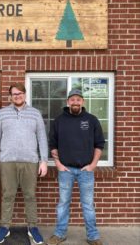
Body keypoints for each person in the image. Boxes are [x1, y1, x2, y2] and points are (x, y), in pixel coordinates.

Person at [0, 83, 48, 244]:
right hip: (7, 161)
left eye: (20, 93)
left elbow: (42, 138)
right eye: (14, 94)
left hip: (30, 161)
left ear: (25, 94)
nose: (17, 96)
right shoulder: (2, 114)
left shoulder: (35, 114)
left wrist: (44, 161)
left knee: (30, 195)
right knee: (8, 195)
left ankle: (32, 227)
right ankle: (5, 227)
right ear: (10, 96)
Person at [47, 89, 105, 245]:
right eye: (72, 99)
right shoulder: (59, 121)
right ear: (68, 102)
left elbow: (99, 144)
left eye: (78, 99)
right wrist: (58, 164)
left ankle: (93, 236)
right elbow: (53, 144)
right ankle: (60, 234)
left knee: (88, 205)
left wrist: (93, 165)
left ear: (83, 102)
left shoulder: (92, 120)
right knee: (63, 204)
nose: (75, 102)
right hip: (65, 170)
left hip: (86, 171)